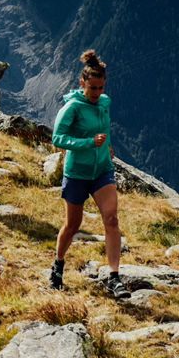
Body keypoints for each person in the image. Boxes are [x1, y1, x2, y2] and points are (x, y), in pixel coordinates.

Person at [49, 49, 123, 294]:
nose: (97, 93)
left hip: (102, 170)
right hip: (77, 172)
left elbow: (105, 129)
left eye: (101, 88)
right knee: (73, 225)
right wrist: (89, 143)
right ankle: (58, 265)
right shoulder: (72, 108)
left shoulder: (105, 102)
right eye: (93, 88)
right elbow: (58, 138)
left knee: (111, 220)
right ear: (82, 83)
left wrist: (107, 145)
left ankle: (114, 276)